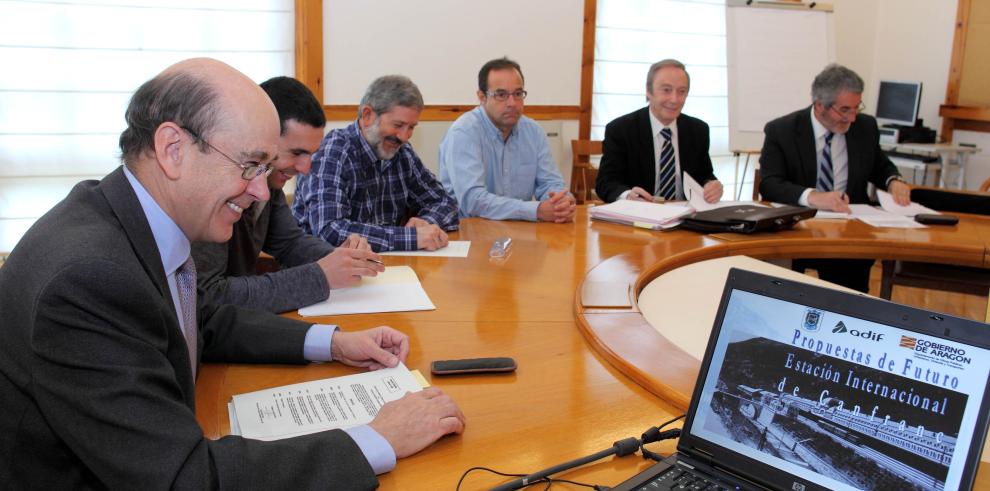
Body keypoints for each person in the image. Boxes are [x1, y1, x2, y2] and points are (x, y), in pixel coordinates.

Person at [0, 58, 465, 489]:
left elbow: (197, 318)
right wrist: (376, 438)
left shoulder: (123, 218)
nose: (263, 190)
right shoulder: (88, 278)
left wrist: (333, 342)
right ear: (173, 149)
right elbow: (186, 478)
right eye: (250, 165)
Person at [192, 76, 384, 314]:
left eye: (311, 154)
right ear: (261, 136)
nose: (305, 168)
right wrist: (319, 276)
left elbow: (289, 243)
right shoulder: (212, 192)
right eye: (296, 153)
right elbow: (207, 297)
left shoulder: (270, 186)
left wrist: (341, 258)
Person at [759, 63, 911, 292]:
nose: (852, 118)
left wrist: (894, 181)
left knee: (849, 296)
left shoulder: (865, 127)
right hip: (799, 227)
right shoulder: (783, 130)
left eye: (856, 108)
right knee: (787, 290)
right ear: (819, 105)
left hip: (849, 229)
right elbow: (770, 184)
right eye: (844, 110)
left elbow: (879, 165)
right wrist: (814, 197)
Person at [292, 75, 459, 252]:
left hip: (384, 266)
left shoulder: (402, 152)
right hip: (320, 268)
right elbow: (330, 230)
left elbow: (445, 202)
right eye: (398, 125)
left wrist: (426, 223)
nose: (404, 136)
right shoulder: (333, 151)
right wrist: (411, 238)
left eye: (411, 127)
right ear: (367, 115)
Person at [438, 57, 575, 222]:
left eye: (518, 94)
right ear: (482, 97)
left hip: (520, 231)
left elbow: (550, 183)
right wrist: (536, 210)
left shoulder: (533, 132)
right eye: (501, 95)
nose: (512, 103)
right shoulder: (464, 132)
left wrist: (561, 201)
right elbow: (473, 201)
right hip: (471, 232)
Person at [595, 59, 723, 204]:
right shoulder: (621, 129)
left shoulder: (698, 130)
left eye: (682, 91)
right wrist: (627, 196)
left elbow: (704, 175)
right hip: (639, 216)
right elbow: (606, 182)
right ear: (649, 91)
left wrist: (712, 185)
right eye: (666, 90)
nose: (674, 99)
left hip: (685, 217)